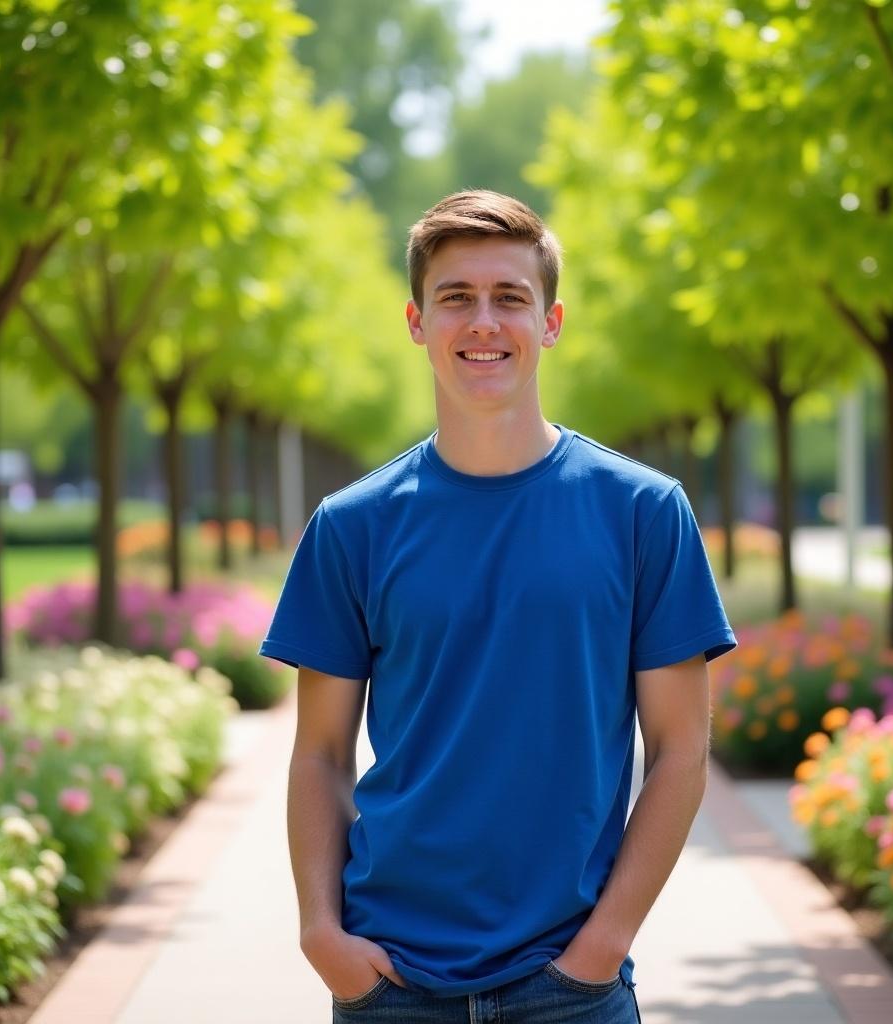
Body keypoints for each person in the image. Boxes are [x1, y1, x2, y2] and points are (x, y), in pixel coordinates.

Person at [260, 190, 736, 1023]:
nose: (484, 322)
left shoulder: (643, 512)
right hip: (388, 985)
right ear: (417, 321)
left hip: (572, 987)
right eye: (456, 298)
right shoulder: (352, 526)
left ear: (550, 322)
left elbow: (680, 748)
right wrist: (321, 938)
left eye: (510, 297)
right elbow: (321, 756)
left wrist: (601, 946)